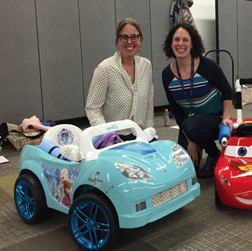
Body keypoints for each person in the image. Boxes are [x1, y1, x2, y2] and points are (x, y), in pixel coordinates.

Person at [162, 23, 233, 178]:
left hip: (215, 120)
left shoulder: (207, 66)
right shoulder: (167, 74)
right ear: (171, 43)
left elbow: (227, 90)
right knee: (182, 167)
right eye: (176, 39)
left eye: (185, 40)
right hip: (190, 126)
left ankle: (214, 155)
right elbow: (177, 109)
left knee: (190, 125)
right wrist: (191, 140)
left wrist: (226, 116)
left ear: (192, 43)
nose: (181, 44)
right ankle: (200, 144)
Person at [85, 18, 154, 141]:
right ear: (118, 41)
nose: (129, 42)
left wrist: (149, 133)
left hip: (141, 135)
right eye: (124, 37)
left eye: (134, 37)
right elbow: (92, 109)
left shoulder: (146, 65)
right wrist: (109, 137)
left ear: (140, 39)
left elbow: (148, 104)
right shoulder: (105, 69)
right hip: (115, 137)